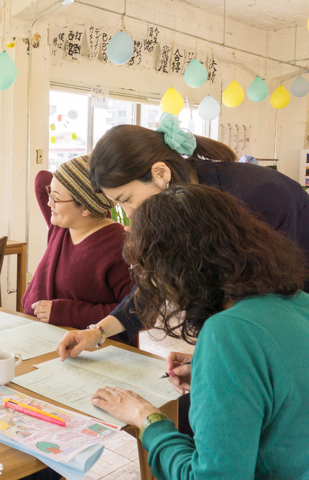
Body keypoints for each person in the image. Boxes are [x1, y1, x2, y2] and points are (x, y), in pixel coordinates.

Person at [89, 184, 309, 479]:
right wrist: (215, 372)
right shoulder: (297, 301)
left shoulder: (228, 332)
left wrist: (148, 419)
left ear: (177, 270)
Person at [58, 113, 309, 362]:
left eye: (126, 199)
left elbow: (271, 308)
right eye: (119, 205)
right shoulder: (176, 209)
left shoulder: (260, 195)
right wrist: (98, 331)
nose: (129, 214)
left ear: (160, 173)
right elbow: (152, 283)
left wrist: (216, 359)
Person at [21, 155, 135, 345]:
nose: (49, 203)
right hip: (42, 337)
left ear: (85, 208)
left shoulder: (120, 247)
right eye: (50, 195)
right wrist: (94, 165)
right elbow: (42, 179)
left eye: (56, 198)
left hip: (93, 350)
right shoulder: (62, 226)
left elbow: (135, 312)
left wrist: (67, 313)